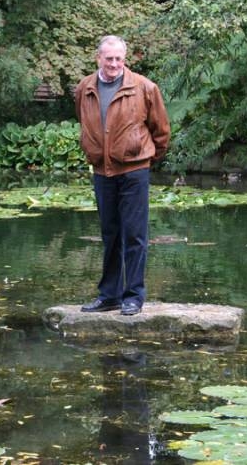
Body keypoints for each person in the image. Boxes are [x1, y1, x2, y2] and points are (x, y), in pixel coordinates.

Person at [75, 35, 170, 316]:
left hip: (134, 171)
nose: (114, 64)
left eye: (119, 58)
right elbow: (85, 122)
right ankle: (110, 296)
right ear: (98, 58)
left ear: (124, 59)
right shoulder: (85, 88)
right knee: (110, 234)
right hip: (102, 171)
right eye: (109, 58)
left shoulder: (145, 87)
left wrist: (144, 157)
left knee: (135, 235)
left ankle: (133, 297)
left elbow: (161, 131)